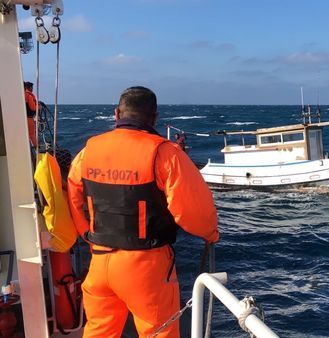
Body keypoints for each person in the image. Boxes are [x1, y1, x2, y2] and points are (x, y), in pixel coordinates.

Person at [67, 86, 219, 338]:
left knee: (99, 332)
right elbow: (193, 210)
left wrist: (86, 234)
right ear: (154, 118)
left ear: (116, 113)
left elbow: (73, 197)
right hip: (145, 267)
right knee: (158, 332)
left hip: (99, 261)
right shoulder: (165, 153)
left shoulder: (88, 151)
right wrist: (211, 233)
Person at [23, 81, 37, 146]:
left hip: (22, 118)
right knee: (32, 134)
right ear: (30, 87)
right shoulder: (29, 96)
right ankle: (36, 149)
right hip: (29, 118)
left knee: (26, 135)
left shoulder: (22, 95)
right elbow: (33, 108)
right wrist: (39, 107)